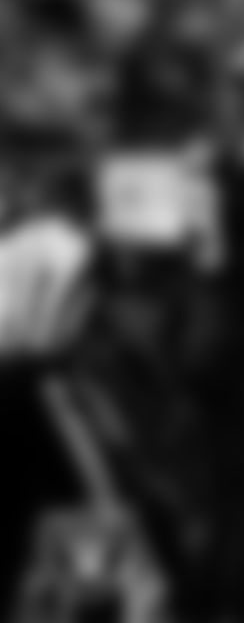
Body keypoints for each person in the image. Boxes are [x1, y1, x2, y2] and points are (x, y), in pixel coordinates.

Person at [0, 142, 93, 622]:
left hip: (10, 383)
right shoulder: (83, 250)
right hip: (63, 394)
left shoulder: (11, 248)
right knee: (72, 510)